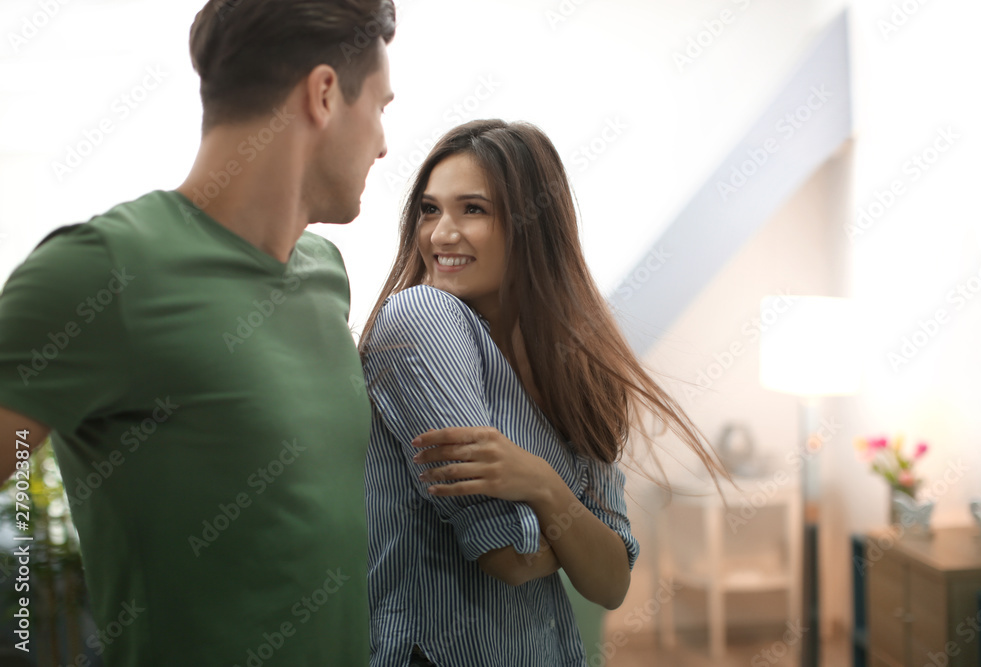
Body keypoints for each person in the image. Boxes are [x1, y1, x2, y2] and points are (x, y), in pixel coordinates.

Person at [0, 0, 396, 664]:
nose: (385, 141)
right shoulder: (104, 270)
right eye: (382, 106)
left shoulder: (325, 275)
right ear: (324, 93)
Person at [359, 119, 727, 666]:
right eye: (430, 210)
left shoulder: (574, 373)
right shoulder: (423, 317)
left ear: (532, 226)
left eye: (473, 210)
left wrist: (543, 485)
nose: (440, 234)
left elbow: (610, 582)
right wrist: (579, 533)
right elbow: (507, 553)